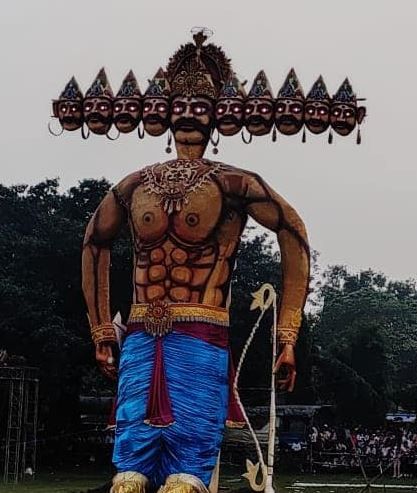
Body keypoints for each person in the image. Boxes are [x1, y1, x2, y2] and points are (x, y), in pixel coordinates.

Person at [81, 31, 311, 493]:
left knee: (185, 479)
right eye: (180, 106)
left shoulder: (234, 184)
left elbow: (294, 233)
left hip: (201, 330)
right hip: (143, 333)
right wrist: (102, 328)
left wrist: (287, 331)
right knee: (128, 477)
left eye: (200, 107)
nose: (188, 115)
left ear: (218, 117)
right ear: (164, 113)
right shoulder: (133, 185)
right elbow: (93, 242)